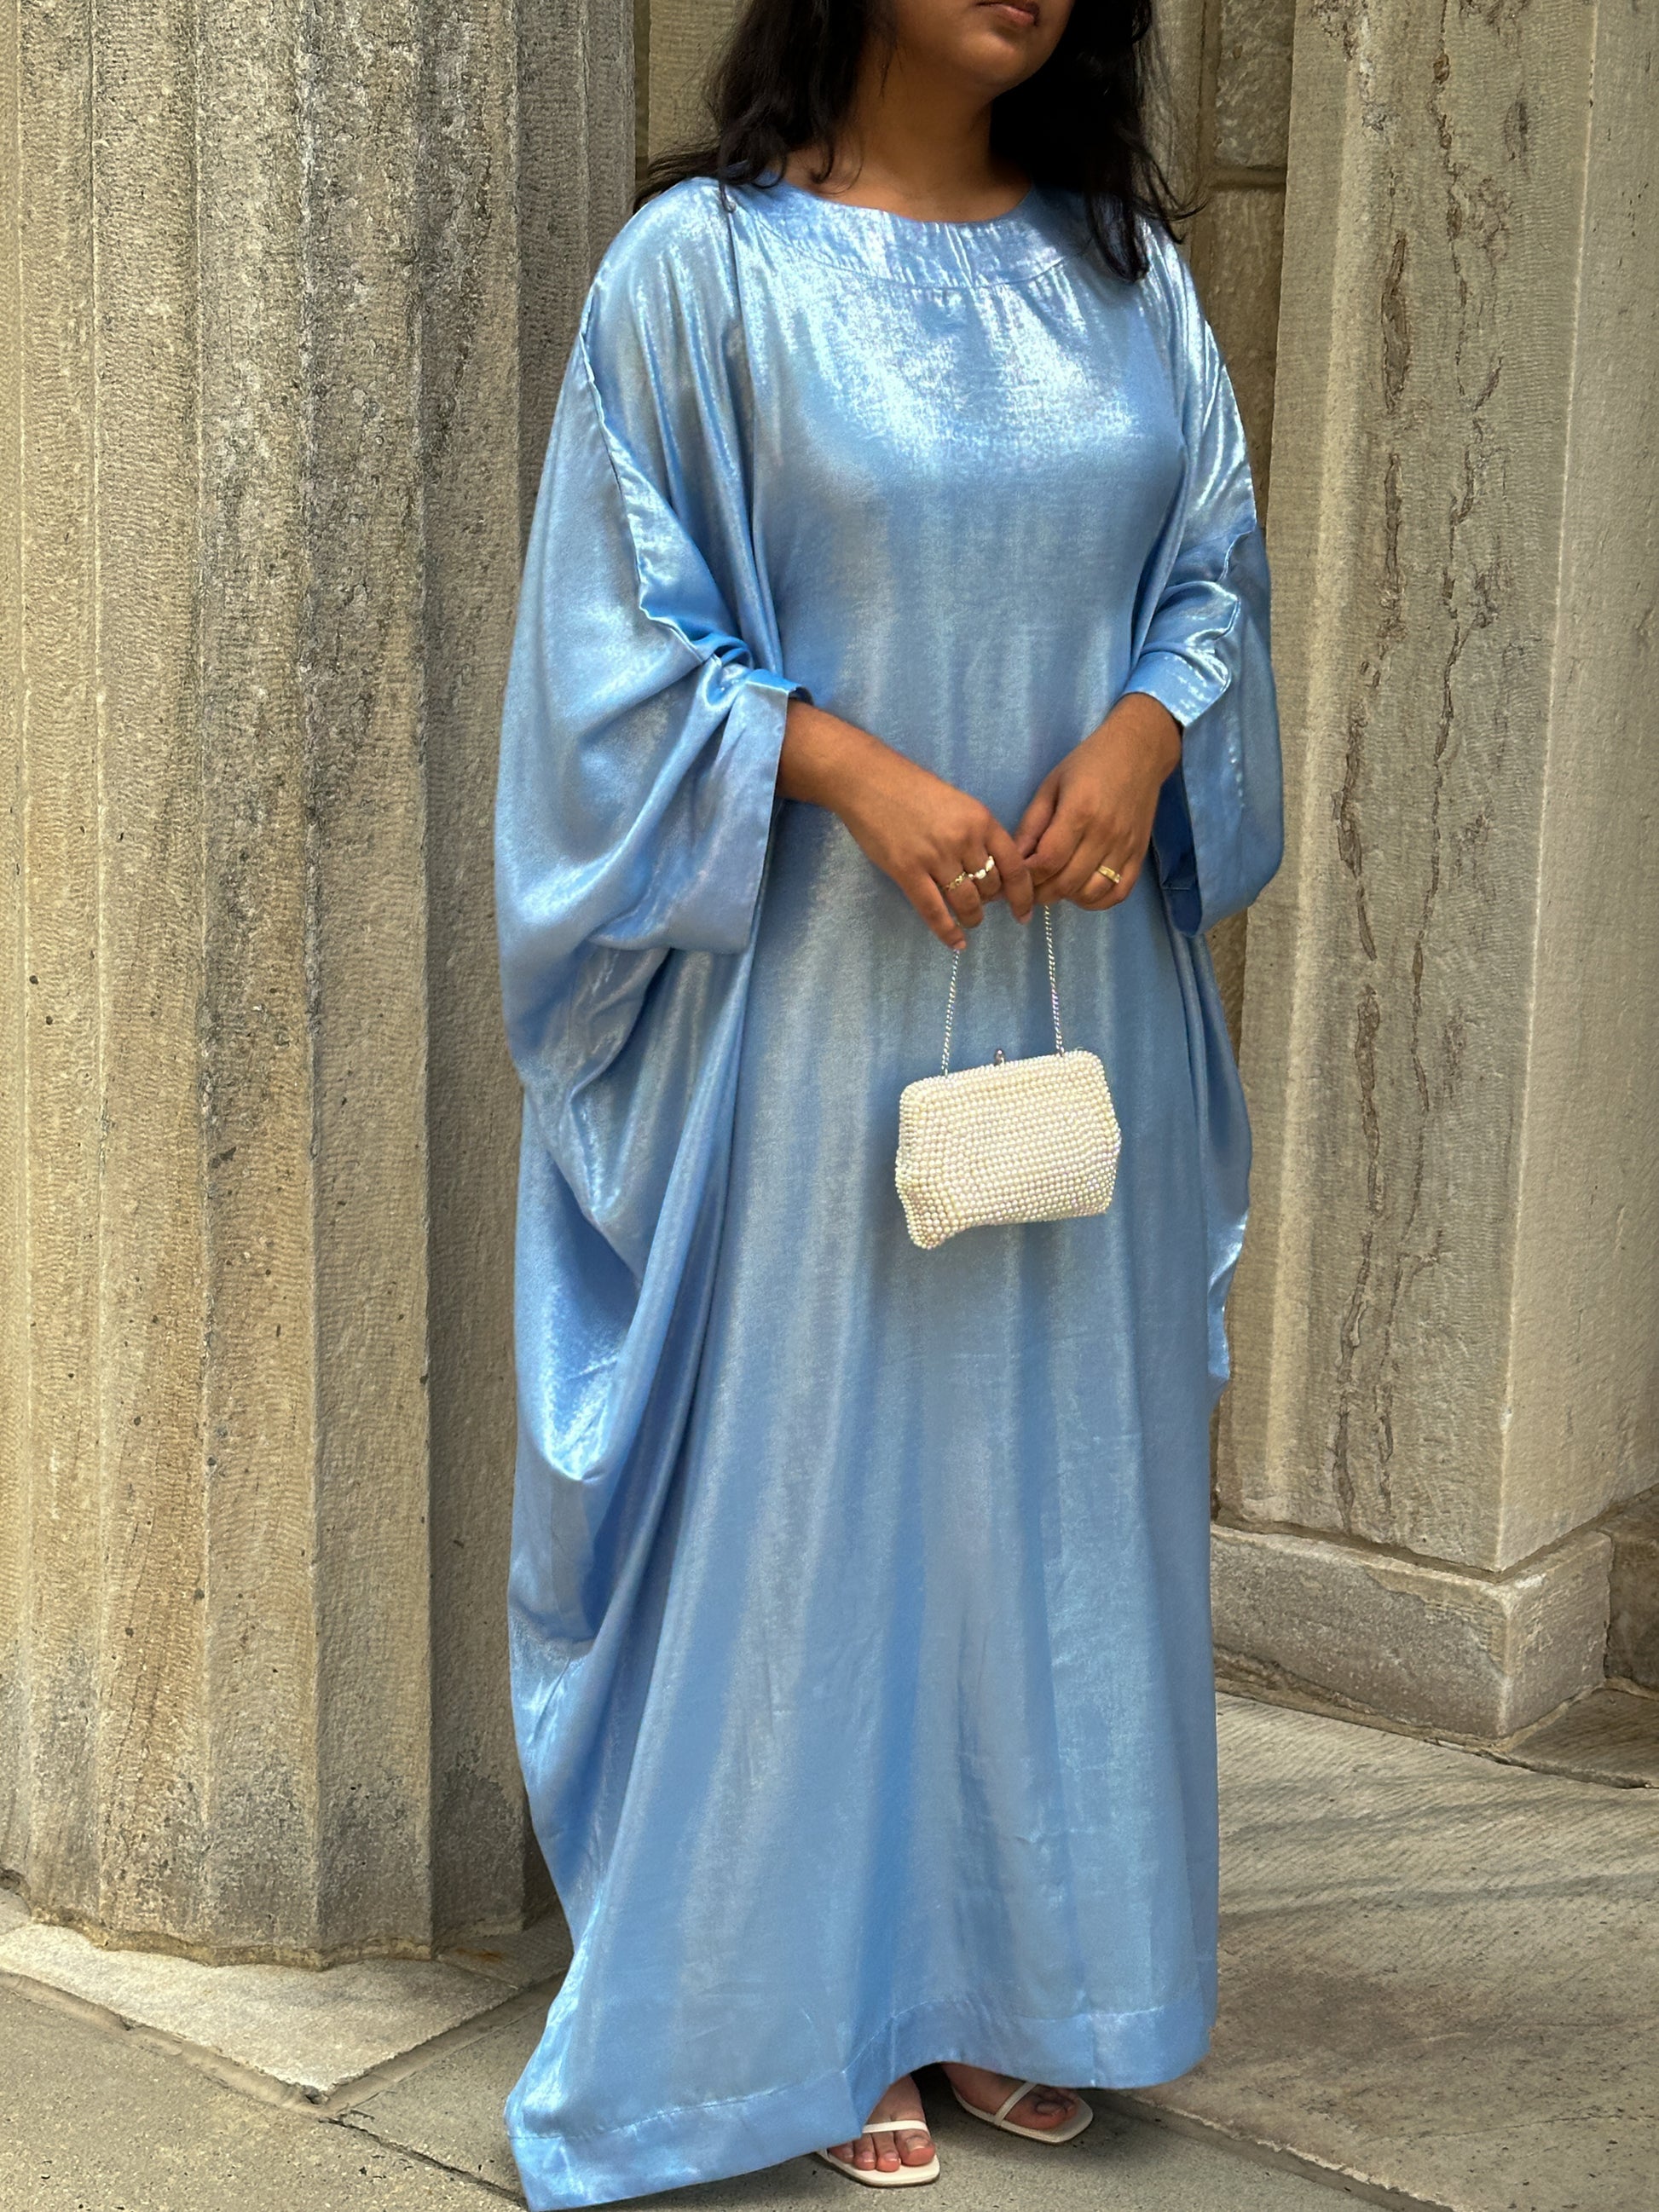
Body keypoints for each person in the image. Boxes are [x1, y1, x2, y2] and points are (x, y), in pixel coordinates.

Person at [491, 0, 1284, 2203]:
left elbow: (1206, 566)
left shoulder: (1131, 286)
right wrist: (828, 763)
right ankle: (797, 1996)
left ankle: (1024, 1975)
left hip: (1076, 994)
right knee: (825, 1481)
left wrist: (1146, 725)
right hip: (821, 1008)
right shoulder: (705, 279)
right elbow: (604, 645)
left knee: (1046, 1476)